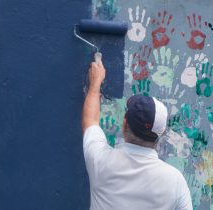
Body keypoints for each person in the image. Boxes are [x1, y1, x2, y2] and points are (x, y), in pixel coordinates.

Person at [82, 60, 193, 210]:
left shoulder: (101, 161)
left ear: (124, 124)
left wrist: (95, 84)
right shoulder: (175, 181)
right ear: (161, 134)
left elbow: (90, 121)